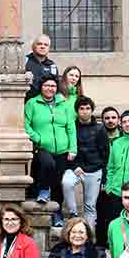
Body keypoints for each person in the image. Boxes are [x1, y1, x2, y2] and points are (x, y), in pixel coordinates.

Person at [24, 75, 77, 224]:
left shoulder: (64, 105)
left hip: (62, 149)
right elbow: (26, 125)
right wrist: (38, 138)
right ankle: (43, 190)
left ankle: (57, 213)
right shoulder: (32, 104)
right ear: (41, 87)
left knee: (59, 183)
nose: (50, 88)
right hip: (41, 147)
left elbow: (71, 128)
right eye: (47, 85)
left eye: (53, 86)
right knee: (48, 164)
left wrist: (72, 148)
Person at [62, 96, 109, 233]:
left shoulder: (100, 129)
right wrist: (74, 166)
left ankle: (89, 235)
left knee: (90, 206)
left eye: (87, 108)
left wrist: (103, 176)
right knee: (66, 182)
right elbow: (67, 149)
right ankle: (73, 213)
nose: (84, 111)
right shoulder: (71, 127)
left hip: (94, 171)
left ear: (92, 110)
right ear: (77, 111)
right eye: (81, 108)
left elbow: (105, 154)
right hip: (76, 168)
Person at [93, 106, 122, 245]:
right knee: (101, 212)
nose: (110, 121)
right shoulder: (98, 134)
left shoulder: (123, 136)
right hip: (99, 175)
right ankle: (101, 244)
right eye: (107, 118)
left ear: (118, 119)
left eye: (113, 118)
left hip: (118, 179)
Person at [24, 34, 58, 100]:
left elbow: (56, 88)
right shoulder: (24, 61)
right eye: (39, 44)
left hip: (45, 105)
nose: (43, 46)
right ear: (33, 46)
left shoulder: (52, 66)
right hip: (26, 103)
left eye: (46, 45)